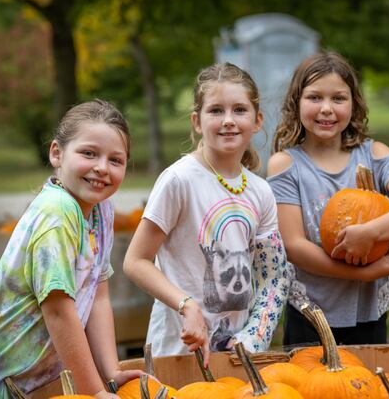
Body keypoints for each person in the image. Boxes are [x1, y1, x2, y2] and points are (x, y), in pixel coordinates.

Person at [0, 100, 144, 398]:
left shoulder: (102, 210)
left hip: (36, 384)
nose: (102, 168)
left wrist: (111, 372)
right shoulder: (57, 214)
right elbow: (58, 311)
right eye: (89, 153)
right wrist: (95, 392)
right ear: (57, 153)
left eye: (115, 160)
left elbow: (98, 292)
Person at [123, 62, 290, 365]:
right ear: (197, 121)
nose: (228, 120)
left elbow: (273, 278)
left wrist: (253, 337)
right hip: (176, 353)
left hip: (235, 357)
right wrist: (187, 306)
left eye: (239, 110)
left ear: (257, 121)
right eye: (216, 111)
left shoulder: (260, 191)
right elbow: (135, 262)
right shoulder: (179, 180)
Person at [267, 52, 389, 347]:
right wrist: (364, 273)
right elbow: (294, 246)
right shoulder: (286, 165)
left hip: (367, 312)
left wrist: (369, 232)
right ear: (297, 103)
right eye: (315, 97)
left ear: (354, 103)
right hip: (310, 313)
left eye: (338, 99)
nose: (327, 109)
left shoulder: (375, 154)